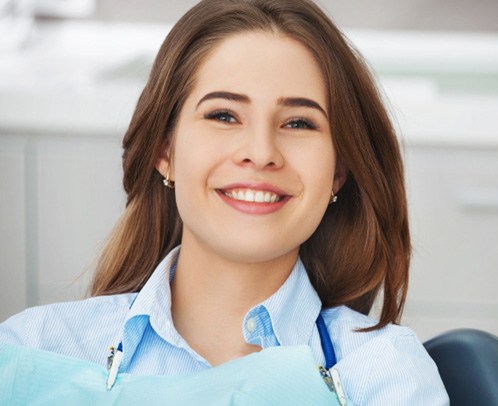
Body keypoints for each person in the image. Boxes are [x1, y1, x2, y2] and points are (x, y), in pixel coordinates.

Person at [0, 0, 448, 404]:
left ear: (338, 171)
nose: (261, 151)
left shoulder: (385, 375)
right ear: (165, 150)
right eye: (223, 115)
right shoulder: (34, 350)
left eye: (298, 123)